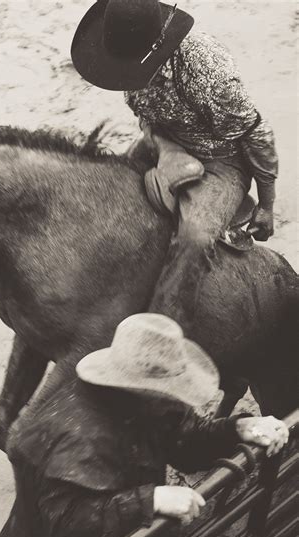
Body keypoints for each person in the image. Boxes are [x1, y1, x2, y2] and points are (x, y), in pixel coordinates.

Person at [0, 314, 288, 537]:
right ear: (136, 386)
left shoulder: (147, 402)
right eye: (169, 389)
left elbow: (186, 442)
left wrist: (238, 428)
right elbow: (67, 526)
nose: (177, 398)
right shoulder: (74, 435)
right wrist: (151, 500)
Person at [70, 0, 279, 333]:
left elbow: (256, 134)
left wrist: (267, 205)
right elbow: (145, 117)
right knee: (103, 192)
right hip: (163, 139)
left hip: (220, 158)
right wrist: (163, 147)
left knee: (195, 237)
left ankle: (160, 333)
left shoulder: (208, 71)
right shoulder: (128, 51)